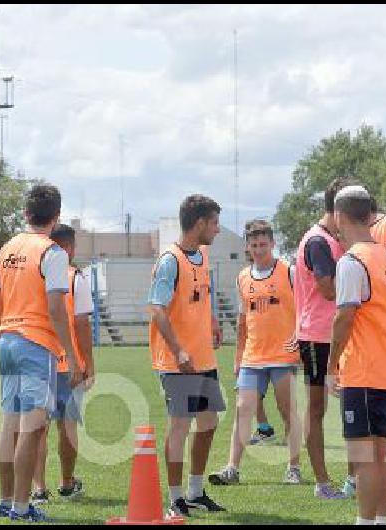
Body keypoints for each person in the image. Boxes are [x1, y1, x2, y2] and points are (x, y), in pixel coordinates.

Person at [0, 185, 82, 522]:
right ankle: (21, 507)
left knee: (9, 424)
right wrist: (71, 356)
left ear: (26, 214)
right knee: (32, 426)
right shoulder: (52, 252)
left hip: (8, 339)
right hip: (36, 343)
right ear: (56, 217)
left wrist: (4, 333)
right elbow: (57, 309)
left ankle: (5, 500)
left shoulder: (6, 249)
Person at [326, 185, 386, 526]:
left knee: (364, 458)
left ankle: (366, 520)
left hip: (364, 370)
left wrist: (331, 365)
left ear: (339, 216)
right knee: (379, 454)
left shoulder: (352, 261)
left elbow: (344, 316)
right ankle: (380, 519)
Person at [148, 194, 226, 518]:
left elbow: (200, 295)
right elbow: (156, 310)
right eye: (214, 223)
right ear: (199, 224)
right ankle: (175, 498)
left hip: (204, 359)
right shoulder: (170, 260)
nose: (218, 230)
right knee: (180, 426)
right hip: (178, 362)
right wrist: (178, 349)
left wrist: (212, 321)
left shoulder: (203, 255)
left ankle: (195, 492)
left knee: (208, 423)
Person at [208, 220, 302, 486]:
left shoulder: (289, 272)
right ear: (247, 247)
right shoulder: (242, 277)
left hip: (283, 355)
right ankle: (232, 469)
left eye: (263, 244)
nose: (259, 249)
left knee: (287, 412)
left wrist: (300, 336)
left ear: (272, 244)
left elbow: (305, 307)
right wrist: (238, 357)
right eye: (254, 245)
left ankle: (293, 467)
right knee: (242, 409)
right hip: (252, 357)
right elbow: (241, 321)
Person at [294, 177, 353, 500]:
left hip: (338, 332)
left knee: (352, 404)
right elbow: (328, 288)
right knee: (317, 409)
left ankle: (353, 478)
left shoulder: (333, 239)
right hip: (319, 336)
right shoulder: (318, 241)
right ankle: (323, 483)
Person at [31, 223, 95, 503]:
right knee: (67, 426)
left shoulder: (35, 274)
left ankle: (38, 489)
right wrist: (88, 363)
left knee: (37, 427)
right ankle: (67, 482)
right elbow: (82, 324)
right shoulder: (75, 278)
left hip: (38, 358)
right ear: (67, 248)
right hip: (67, 364)